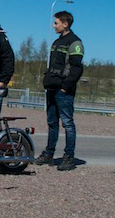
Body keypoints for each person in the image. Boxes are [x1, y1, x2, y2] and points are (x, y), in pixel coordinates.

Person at [35, 10, 84, 171]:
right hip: (52, 88)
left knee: (67, 123)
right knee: (52, 123)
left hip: (64, 91)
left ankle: (69, 157)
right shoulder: (56, 42)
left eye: (56, 23)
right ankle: (49, 154)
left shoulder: (75, 43)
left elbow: (77, 68)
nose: (54, 26)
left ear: (65, 24)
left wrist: (65, 87)